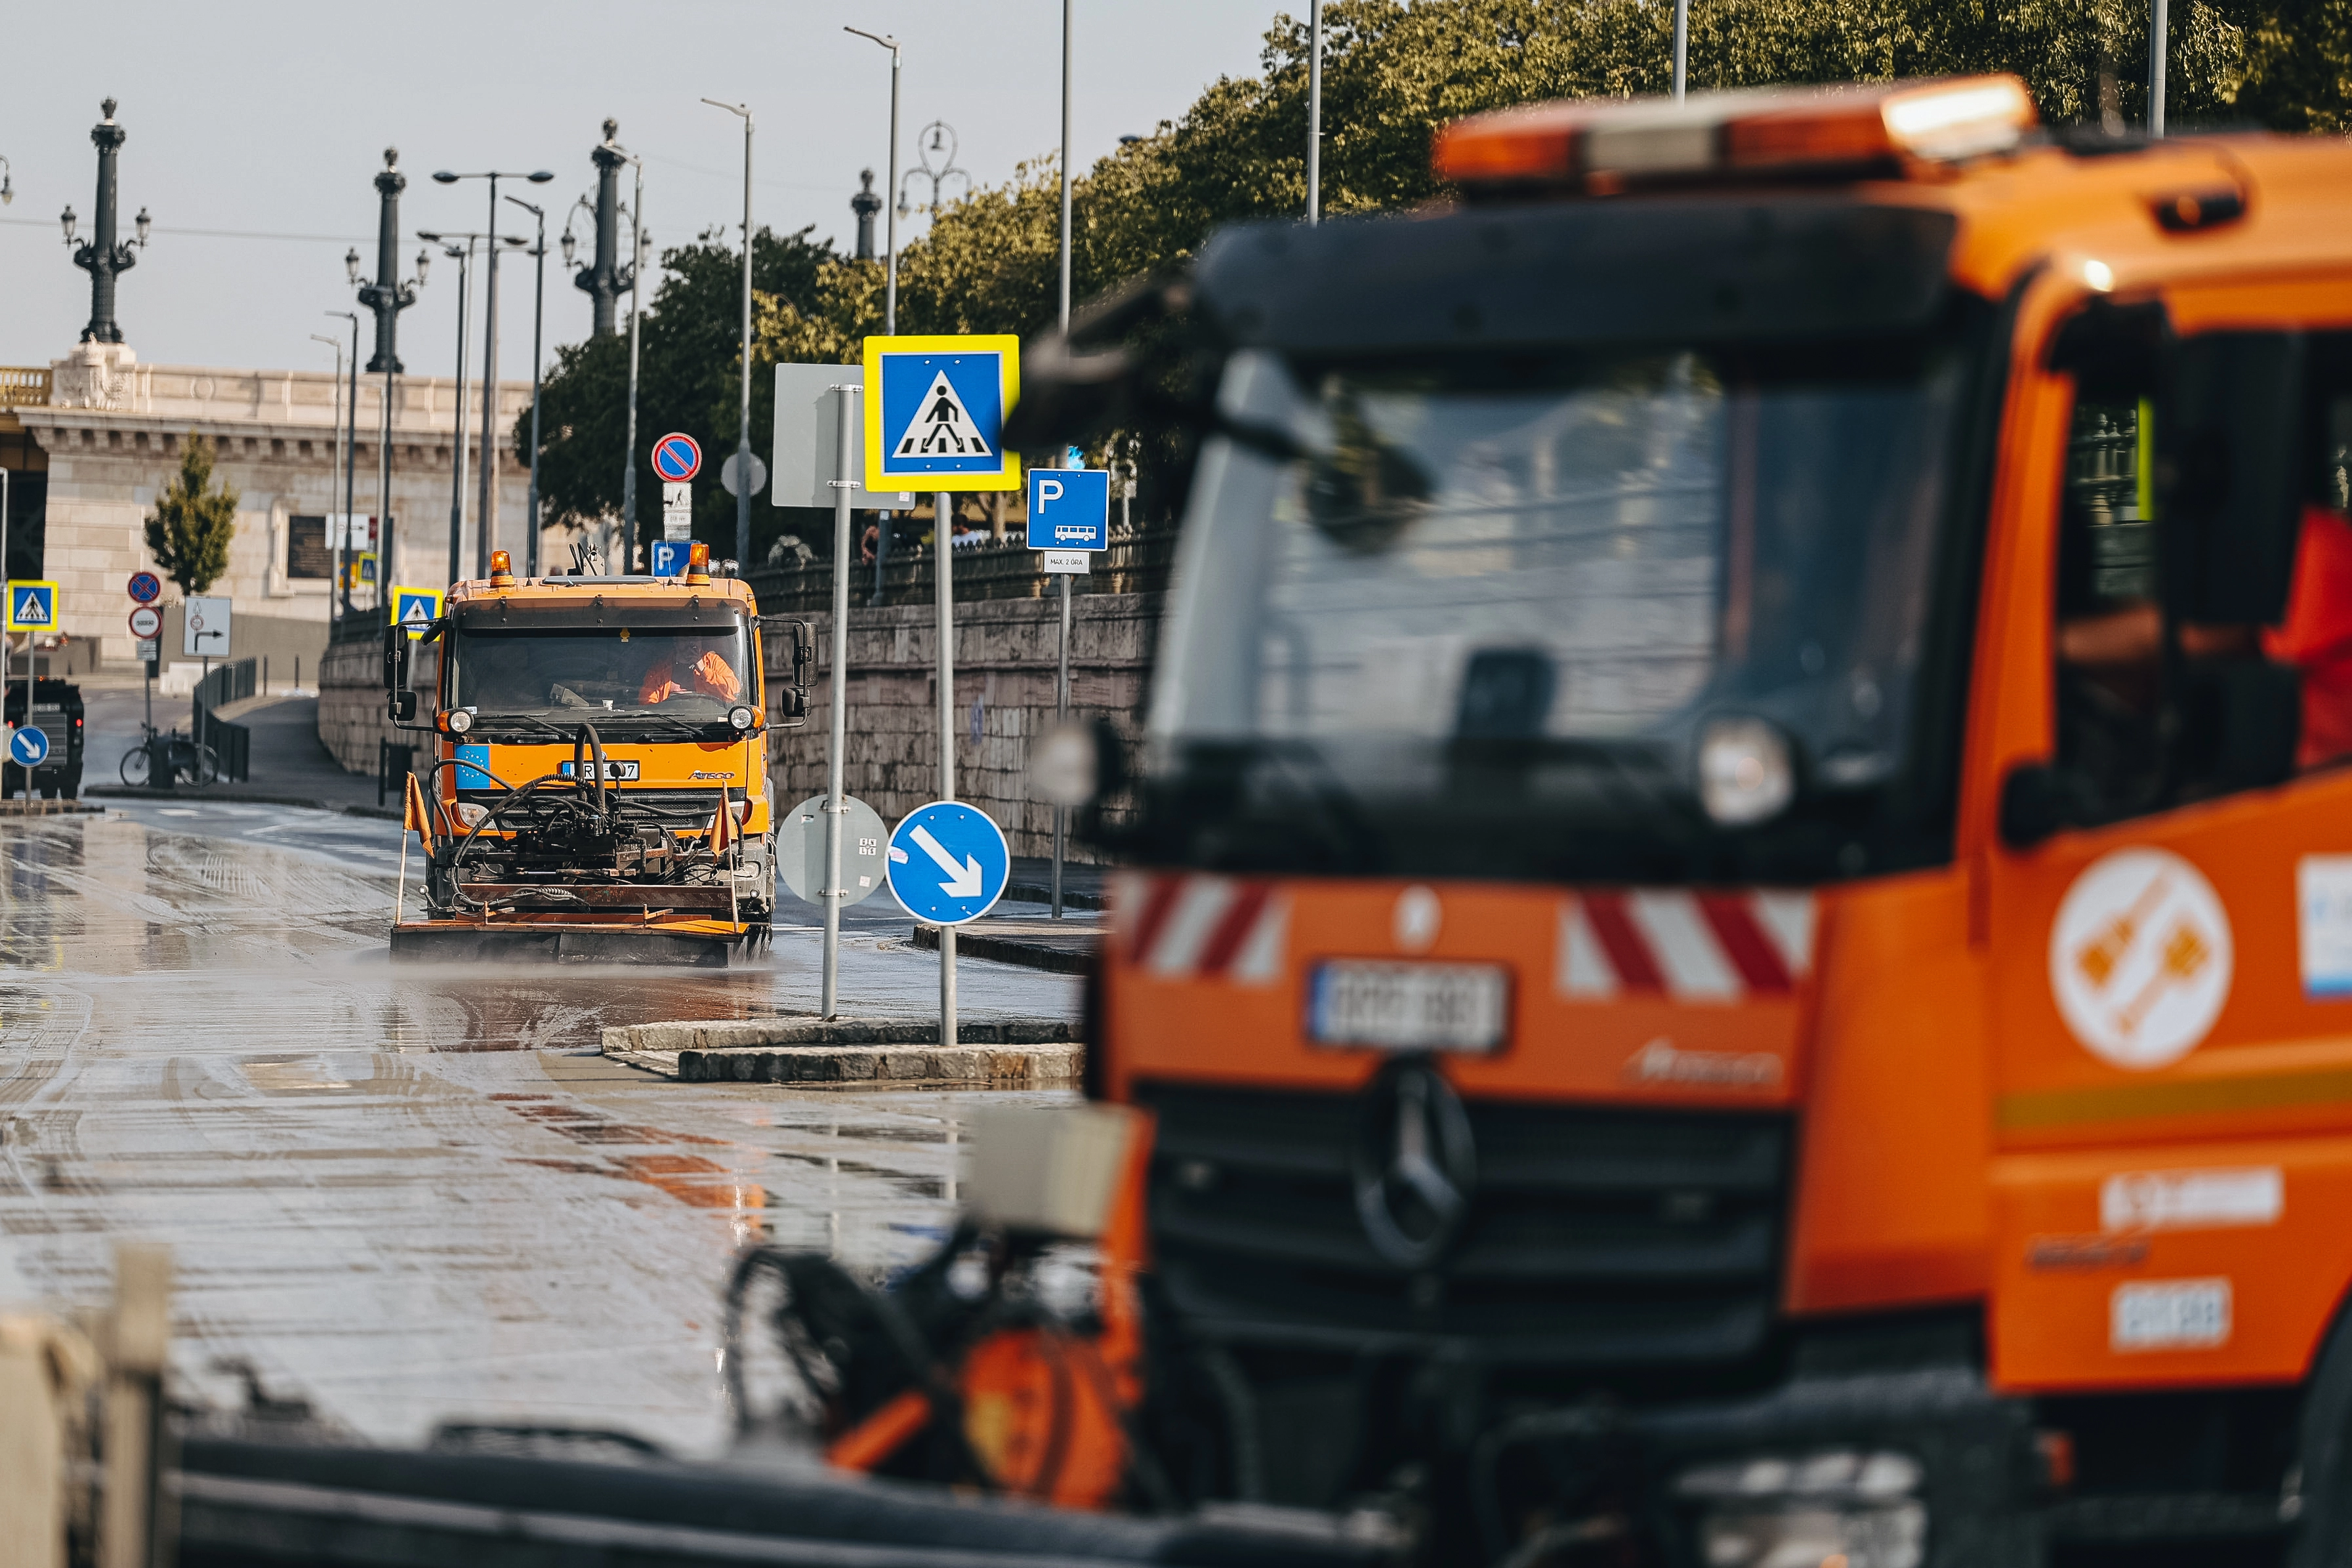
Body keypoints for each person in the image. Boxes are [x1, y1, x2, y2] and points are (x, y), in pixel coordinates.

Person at [638, 635, 742, 706]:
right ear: (676, 642)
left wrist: (704, 670)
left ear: (701, 641)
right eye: (685, 639)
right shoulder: (661, 668)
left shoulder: (713, 661)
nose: (691, 644)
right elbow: (646, 701)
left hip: (707, 722)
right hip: (670, 722)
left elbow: (734, 693)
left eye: (695, 639)